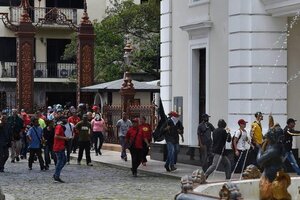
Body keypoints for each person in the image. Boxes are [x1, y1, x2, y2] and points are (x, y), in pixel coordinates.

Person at [53, 118, 70, 183]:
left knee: (64, 160)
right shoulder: (59, 127)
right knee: (60, 161)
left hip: (61, 146)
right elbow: (56, 136)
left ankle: (56, 174)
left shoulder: (61, 127)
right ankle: (56, 175)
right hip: (58, 147)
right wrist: (65, 138)